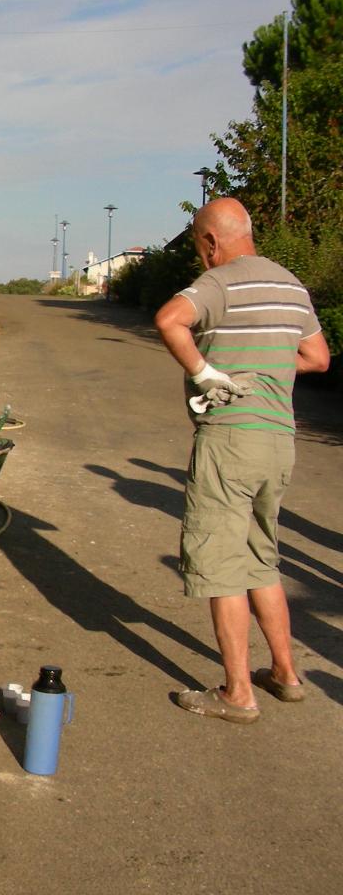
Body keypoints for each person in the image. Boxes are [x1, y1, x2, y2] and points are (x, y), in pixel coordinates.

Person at [153, 197, 329, 722]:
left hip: (230, 439)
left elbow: (169, 320)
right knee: (261, 557)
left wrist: (206, 371)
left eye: (198, 247)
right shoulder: (290, 284)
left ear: (211, 241)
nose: (200, 258)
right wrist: (271, 364)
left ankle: (237, 693)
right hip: (278, 441)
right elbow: (318, 357)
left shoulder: (220, 281)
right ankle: (284, 674)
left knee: (221, 566)